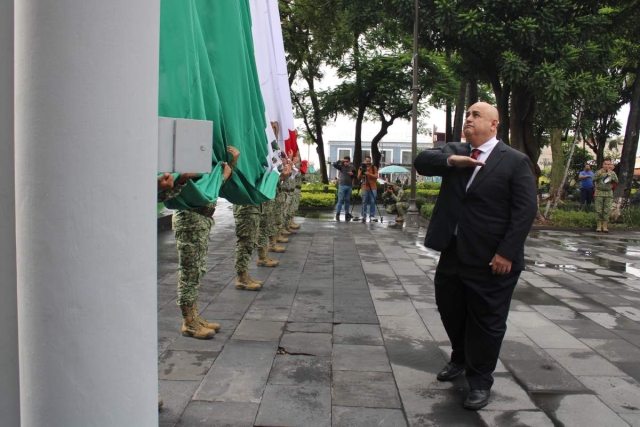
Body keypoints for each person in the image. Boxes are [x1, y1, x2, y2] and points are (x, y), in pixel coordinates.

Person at [414, 102, 537, 410]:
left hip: (492, 259)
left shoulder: (514, 161)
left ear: (494, 124)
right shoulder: (455, 150)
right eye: (467, 115)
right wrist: (455, 161)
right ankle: (459, 357)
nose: (468, 119)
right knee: (450, 309)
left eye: (476, 115)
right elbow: (422, 161)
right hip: (454, 252)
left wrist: (506, 253)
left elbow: (525, 212)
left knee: (487, 322)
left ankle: (480, 381)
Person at [173, 147, 238, 340]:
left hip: (201, 221)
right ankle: (188, 323)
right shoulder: (188, 164)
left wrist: (231, 166)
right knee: (189, 272)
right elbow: (202, 190)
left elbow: (209, 188)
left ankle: (194, 316)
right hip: (190, 220)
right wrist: (225, 176)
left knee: (197, 270)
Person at [593, 158, 618, 233]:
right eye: (605, 164)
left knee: (607, 210)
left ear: (610, 165)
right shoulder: (599, 172)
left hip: (608, 193)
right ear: (603, 164)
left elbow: (617, 181)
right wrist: (600, 173)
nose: (607, 165)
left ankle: (605, 226)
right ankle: (599, 226)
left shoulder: (612, 173)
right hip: (599, 192)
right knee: (598, 210)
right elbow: (593, 179)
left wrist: (611, 176)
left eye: (608, 164)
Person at [333, 156, 356, 221]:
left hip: (349, 186)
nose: (345, 162)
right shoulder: (341, 167)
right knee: (340, 200)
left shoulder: (352, 167)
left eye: (347, 161)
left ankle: (347, 213)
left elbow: (356, 176)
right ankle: (338, 213)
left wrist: (352, 174)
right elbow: (334, 164)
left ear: (349, 161)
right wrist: (340, 160)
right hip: (342, 185)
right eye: (344, 161)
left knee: (347, 200)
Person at [357, 156, 379, 222]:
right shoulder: (361, 168)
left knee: (372, 201)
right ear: (364, 161)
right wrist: (362, 171)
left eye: (369, 161)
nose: (368, 162)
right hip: (364, 187)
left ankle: (372, 215)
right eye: (367, 161)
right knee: (364, 201)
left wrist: (369, 174)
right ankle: (363, 215)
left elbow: (376, 176)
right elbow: (358, 178)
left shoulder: (373, 167)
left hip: (373, 187)